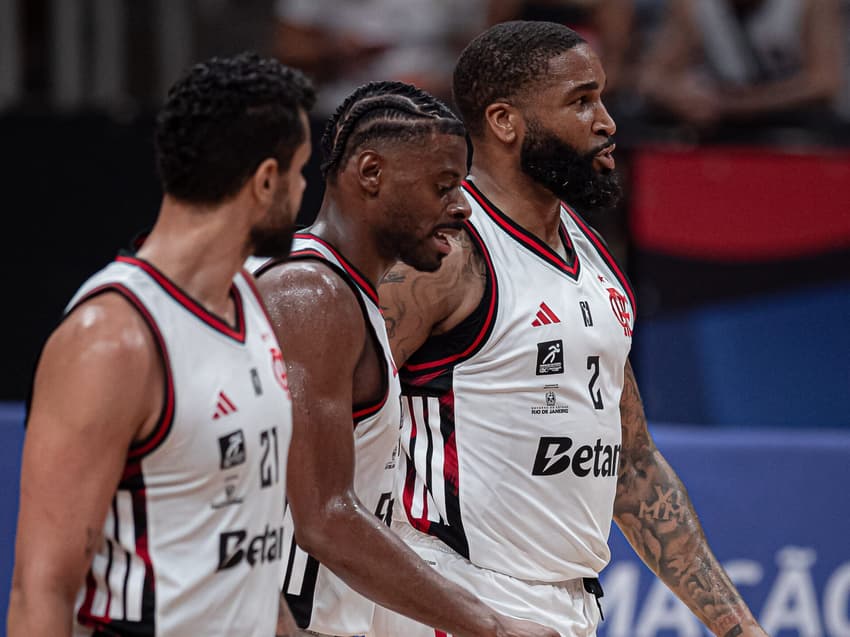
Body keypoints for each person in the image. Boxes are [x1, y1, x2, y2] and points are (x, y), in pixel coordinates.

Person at [370, 21, 770, 637]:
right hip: (455, 597)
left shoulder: (593, 254)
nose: (607, 121)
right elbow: (322, 437)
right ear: (505, 122)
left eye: (602, 98)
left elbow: (633, 468)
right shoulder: (445, 253)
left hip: (568, 606)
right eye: (581, 102)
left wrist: (740, 629)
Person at [7, 52, 315, 637]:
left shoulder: (250, 300)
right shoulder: (113, 341)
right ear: (266, 181)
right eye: (300, 171)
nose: (305, 189)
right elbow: (40, 590)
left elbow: (247, 550)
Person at [251, 81, 558, 637]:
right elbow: (324, 519)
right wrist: (492, 626)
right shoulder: (309, 296)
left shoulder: (337, 292)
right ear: (371, 174)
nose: (462, 207)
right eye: (442, 187)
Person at [638, 0, 845, 137]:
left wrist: (743, 105)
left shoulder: (809, 5)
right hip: (718, 118)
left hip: (789, 115)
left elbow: (824, 83)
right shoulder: (694, 7)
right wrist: (679, 96)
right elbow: (651, 78)